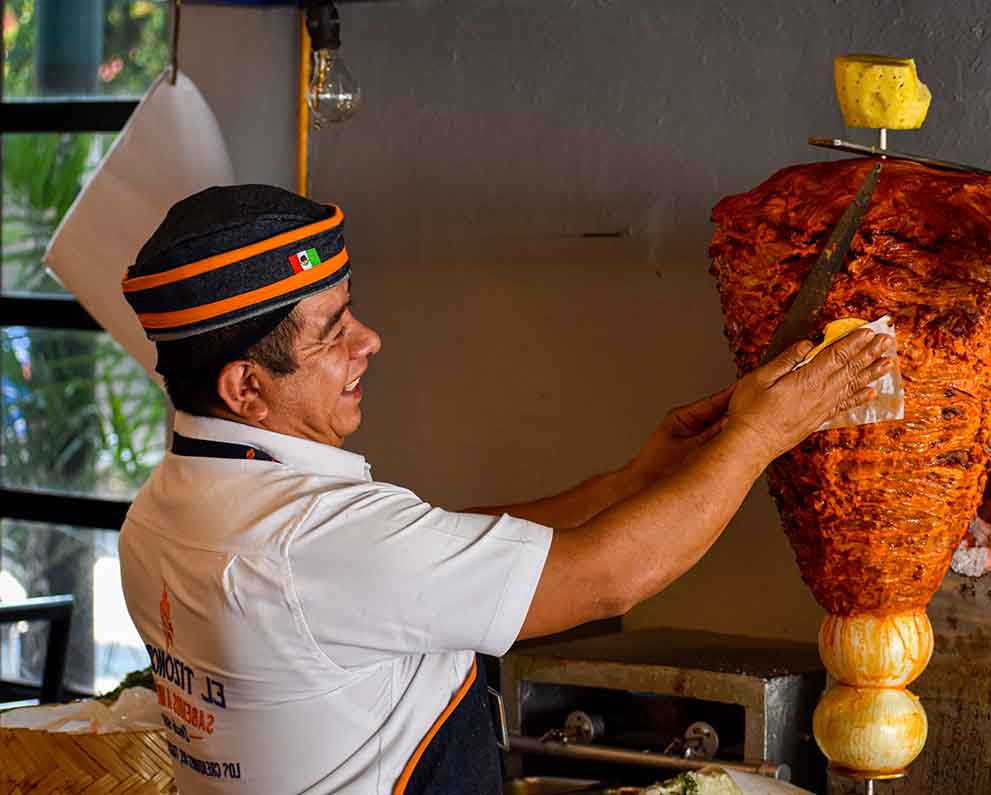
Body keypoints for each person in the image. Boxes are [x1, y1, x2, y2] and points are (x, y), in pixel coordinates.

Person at [118, 184, 893, 794]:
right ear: (246, 386)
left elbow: (429, 553)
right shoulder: (312, 543)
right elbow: (606, 580)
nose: (368, 341)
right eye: (333, 331)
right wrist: (760, 435)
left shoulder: (163, 512)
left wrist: (631, 483)